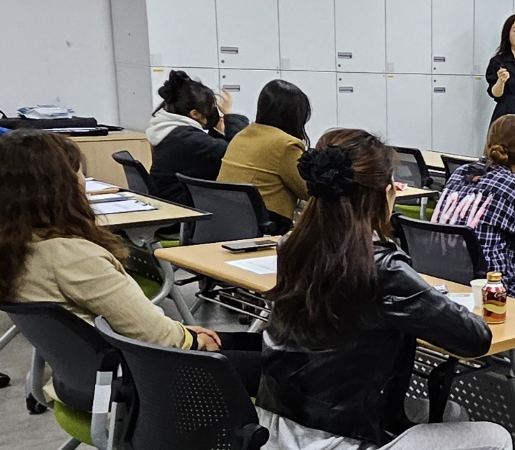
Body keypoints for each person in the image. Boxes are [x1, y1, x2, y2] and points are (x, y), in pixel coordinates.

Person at [258, 129, 515, 450]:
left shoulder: (294, 246)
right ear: (380, 195)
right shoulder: (380, 267)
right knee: (494, 444)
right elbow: (475, 339)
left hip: (279, 437)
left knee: (449, 413)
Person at [0, 130, 260, 391]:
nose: (85, 181)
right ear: (58, 188)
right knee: (280, 372)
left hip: (96, 375)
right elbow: (158, 336)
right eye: (78, 172)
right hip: (145, 379)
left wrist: (188, 334)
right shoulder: (70, 257)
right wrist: (193, 340)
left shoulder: (16, 247)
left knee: (259, 348)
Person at [432, 114, 515, 299]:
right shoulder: (514, 187)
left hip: (446, 285)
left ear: (488, 143)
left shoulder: (460, 173)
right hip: (494, 294)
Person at [217, 79, 312, 234]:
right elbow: (308, 190)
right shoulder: (286, 144)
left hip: (229, 222)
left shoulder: (242, 135)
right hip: (264, 225)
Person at [146, 69, 248, 205]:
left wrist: (217, 131)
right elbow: (238, 152)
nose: (212, 113)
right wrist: (230, 116)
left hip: (169, 200)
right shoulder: (187, 139)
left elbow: (210, 152)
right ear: (194, 114)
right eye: (210, 108)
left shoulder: (168, 130)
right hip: (181, 206)